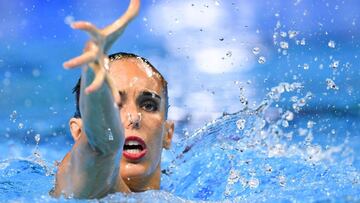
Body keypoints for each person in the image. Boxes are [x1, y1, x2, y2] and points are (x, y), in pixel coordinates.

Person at [51, 0, 174, 198]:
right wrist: (93, 72)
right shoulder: (74, 179)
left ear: (168, 134)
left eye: (149, 105)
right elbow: (101, 147)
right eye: (113, 105)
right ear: (78, 131)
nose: (134, 117)